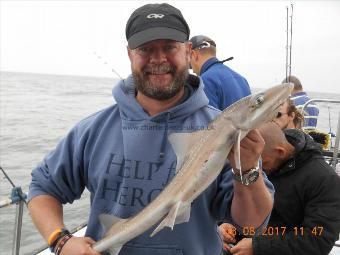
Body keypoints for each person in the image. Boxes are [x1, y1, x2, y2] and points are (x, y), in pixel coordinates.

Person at [27, 3, 274, 255]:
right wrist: (60, 240)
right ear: (130, 54)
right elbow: (42, 188)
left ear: (188, 51)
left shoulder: (219, 130)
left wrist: (248, 170)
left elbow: (251, 225)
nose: (158, 59)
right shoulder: (94, 130)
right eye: (146, 49)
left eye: (169, 47)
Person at [219, 122, 340, 255]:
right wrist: (225, 227)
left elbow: (318, 240)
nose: (259, 172)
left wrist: (258, 247)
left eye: (263, 165)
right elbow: (226, 202)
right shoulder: (248, 163)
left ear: (280, 152)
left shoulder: (324, 179)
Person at [189, 35, 251, 110]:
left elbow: (207, 120)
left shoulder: (205, 81)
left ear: (193, 54)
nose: (192, 70)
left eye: (189, 63)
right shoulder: (242, 80)